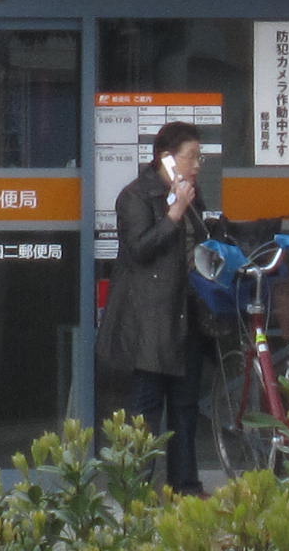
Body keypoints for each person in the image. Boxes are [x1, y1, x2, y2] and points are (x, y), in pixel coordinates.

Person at [111, 120, 211, 496]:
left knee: (185, 404)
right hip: (150, 317)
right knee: (146, 407)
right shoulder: (135, 196)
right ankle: (136, 488)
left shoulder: (193, 197)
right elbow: (138, 249)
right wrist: (172, 215)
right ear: (166, 158)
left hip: (186, 311)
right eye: (191, 157)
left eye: (199, 157)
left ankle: (185, 484)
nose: (197, 164)